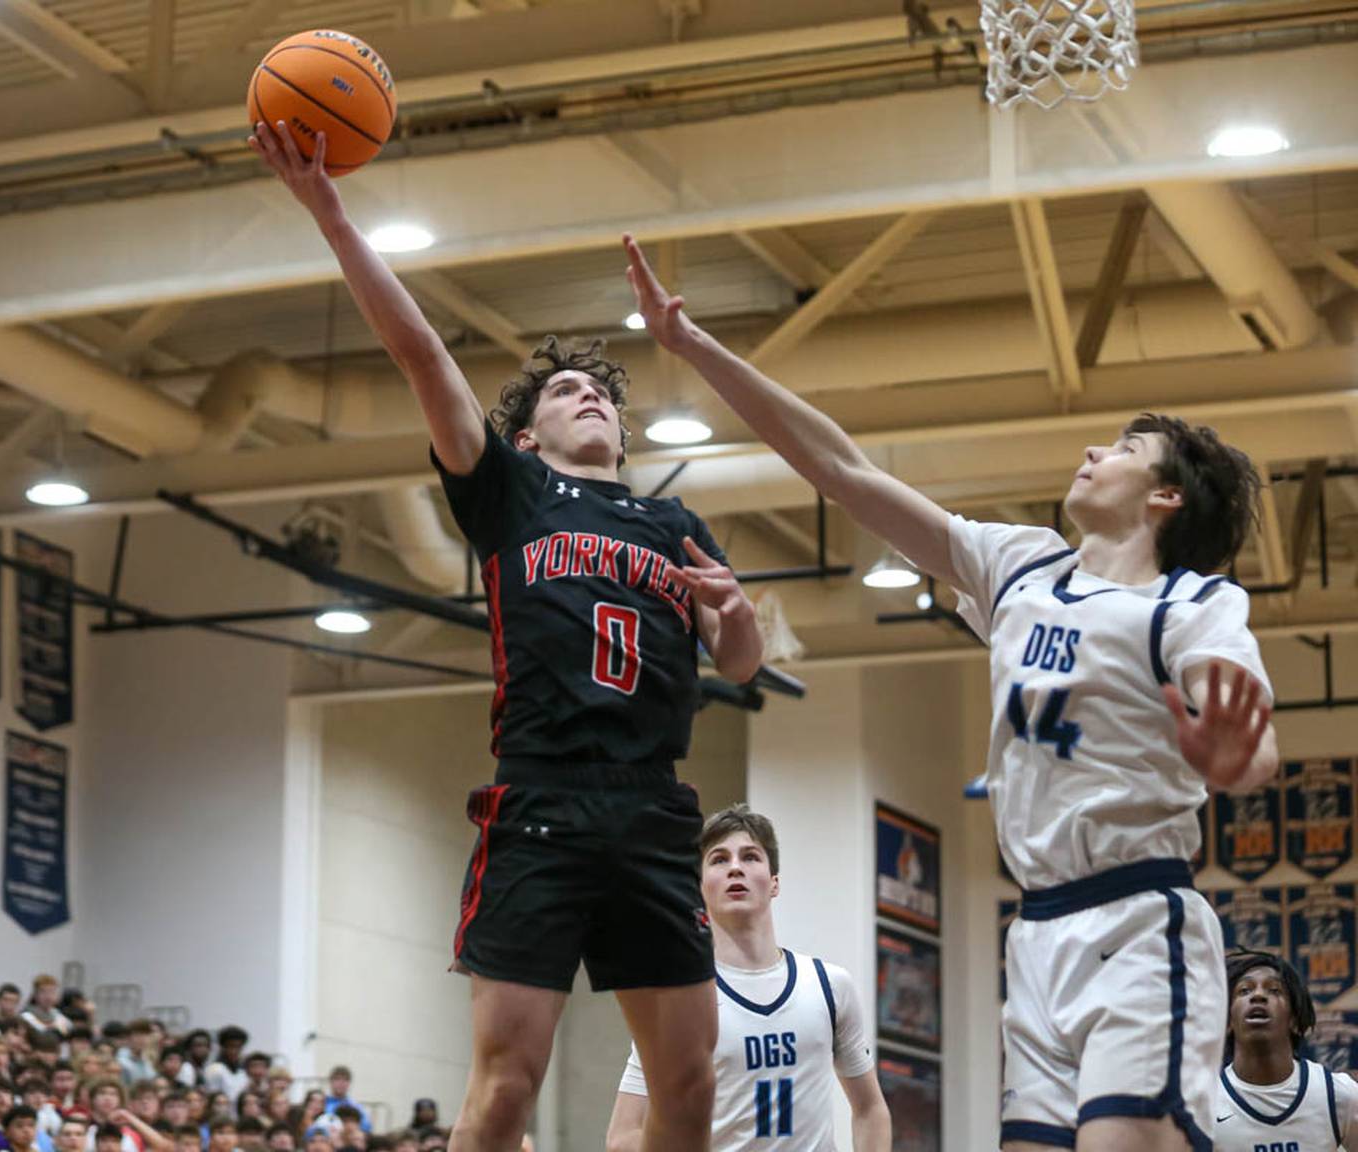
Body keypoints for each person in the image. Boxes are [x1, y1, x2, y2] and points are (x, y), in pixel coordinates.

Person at [623, 235, 1278, 1152]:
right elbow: (845, 472)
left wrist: (1232, 755)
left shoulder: (1192, 604)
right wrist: (694, 348)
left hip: (1139, 921)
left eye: (1125, 447)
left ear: (1165, 498)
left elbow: (1255, 742)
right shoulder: (1020, 568)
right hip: (1036, 929)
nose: (1095, 449)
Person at [251, 122, 765, 1152]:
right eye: (567, 392)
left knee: (693, 1081)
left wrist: (742, 616)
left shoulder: (671, 525)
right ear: (525, 434)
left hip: (655, 808)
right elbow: (420, 352)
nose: (591, 401)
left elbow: (741, 665)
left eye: (603, 398)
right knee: (504, 1089)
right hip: (541, 799)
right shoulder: (512, 493)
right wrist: (332, 216)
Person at [607, 806, 890, 1152]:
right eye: (719, 859)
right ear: (700, 888)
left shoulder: (829, 985)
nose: (736, 867)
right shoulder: (682, 1001)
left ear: (774, 883)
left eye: (751, 856)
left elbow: (871, 1109)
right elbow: (624, 1136)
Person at [1214, 950, 1358, 1150]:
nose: (1258, 995)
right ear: (1228, 1021)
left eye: (1274, 990)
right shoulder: (1206, 1104)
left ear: (1294, 1019)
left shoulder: (1337, 1094)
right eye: (1245, 990)